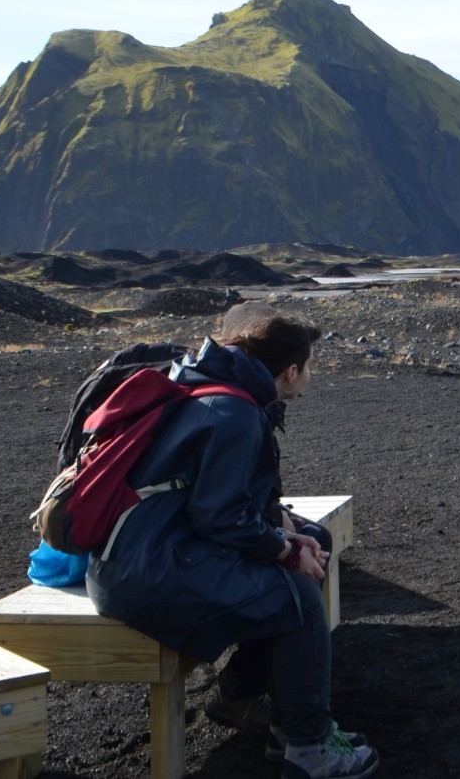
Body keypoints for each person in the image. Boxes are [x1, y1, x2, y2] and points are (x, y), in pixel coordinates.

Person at [87, 302, 378, 779]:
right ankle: (308, 747)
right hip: (149, 572)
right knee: (298, 598)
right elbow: (221, 517)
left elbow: (211, 496)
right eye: (309, 368)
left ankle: (252, 703)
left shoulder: (207, 386)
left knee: (311, 540)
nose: (309, 377)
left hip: (135, 555)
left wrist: (286, 530)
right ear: (290, 372)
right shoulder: (236, 413)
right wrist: (283, 548)